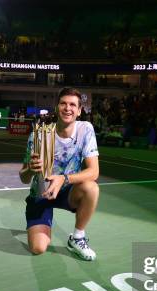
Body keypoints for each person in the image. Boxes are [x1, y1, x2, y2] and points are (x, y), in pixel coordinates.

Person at [19, 87, 99, 260]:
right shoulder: (38, 135)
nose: (67, 108)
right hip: (41, 194)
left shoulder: (85, 130)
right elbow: (23, 177)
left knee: (91, 188)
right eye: (63, 103)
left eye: (72, 105)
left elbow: (94, 171)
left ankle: (77, 238)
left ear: (79, 111)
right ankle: (41, 225)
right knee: (38, 248)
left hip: (67, 191)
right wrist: (31, 170)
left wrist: (64, 178)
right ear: (56, 107)